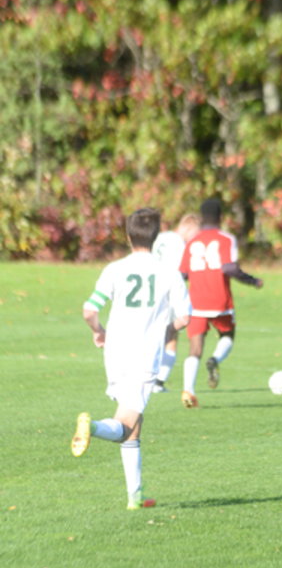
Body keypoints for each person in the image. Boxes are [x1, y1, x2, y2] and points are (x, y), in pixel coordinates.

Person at [70, 208, 191, 510]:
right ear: (156, 236)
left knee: (135, 422)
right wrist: (166, 331)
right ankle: (92, 426)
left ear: (128, 235)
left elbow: (89, 310)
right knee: (125, 423)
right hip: (144, 356)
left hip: (115, 354)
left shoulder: (114, 269)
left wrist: (99, 331)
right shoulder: (169, 273)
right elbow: (185, 318)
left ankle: (134, 496)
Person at [179, 197, 263, 408]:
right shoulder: (226, 238)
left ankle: (188, 390)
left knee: (195, 348)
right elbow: (229, 268)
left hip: (196, 301)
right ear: (220, 217)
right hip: (219, 300)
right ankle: (215, 359)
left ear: (202, 217)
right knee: (227, 335)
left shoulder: (192, 242)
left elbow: (183, 273)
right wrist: (252, 280)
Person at [151, 213, 200, 392]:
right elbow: (181, 271)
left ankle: (148, 378)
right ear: (188, 227)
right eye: (195, 233)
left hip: (150, 288)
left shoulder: (161, 237)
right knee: (171, 336)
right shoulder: (181, 244)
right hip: (169, 292)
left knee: (152, 333)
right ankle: (157, 382)